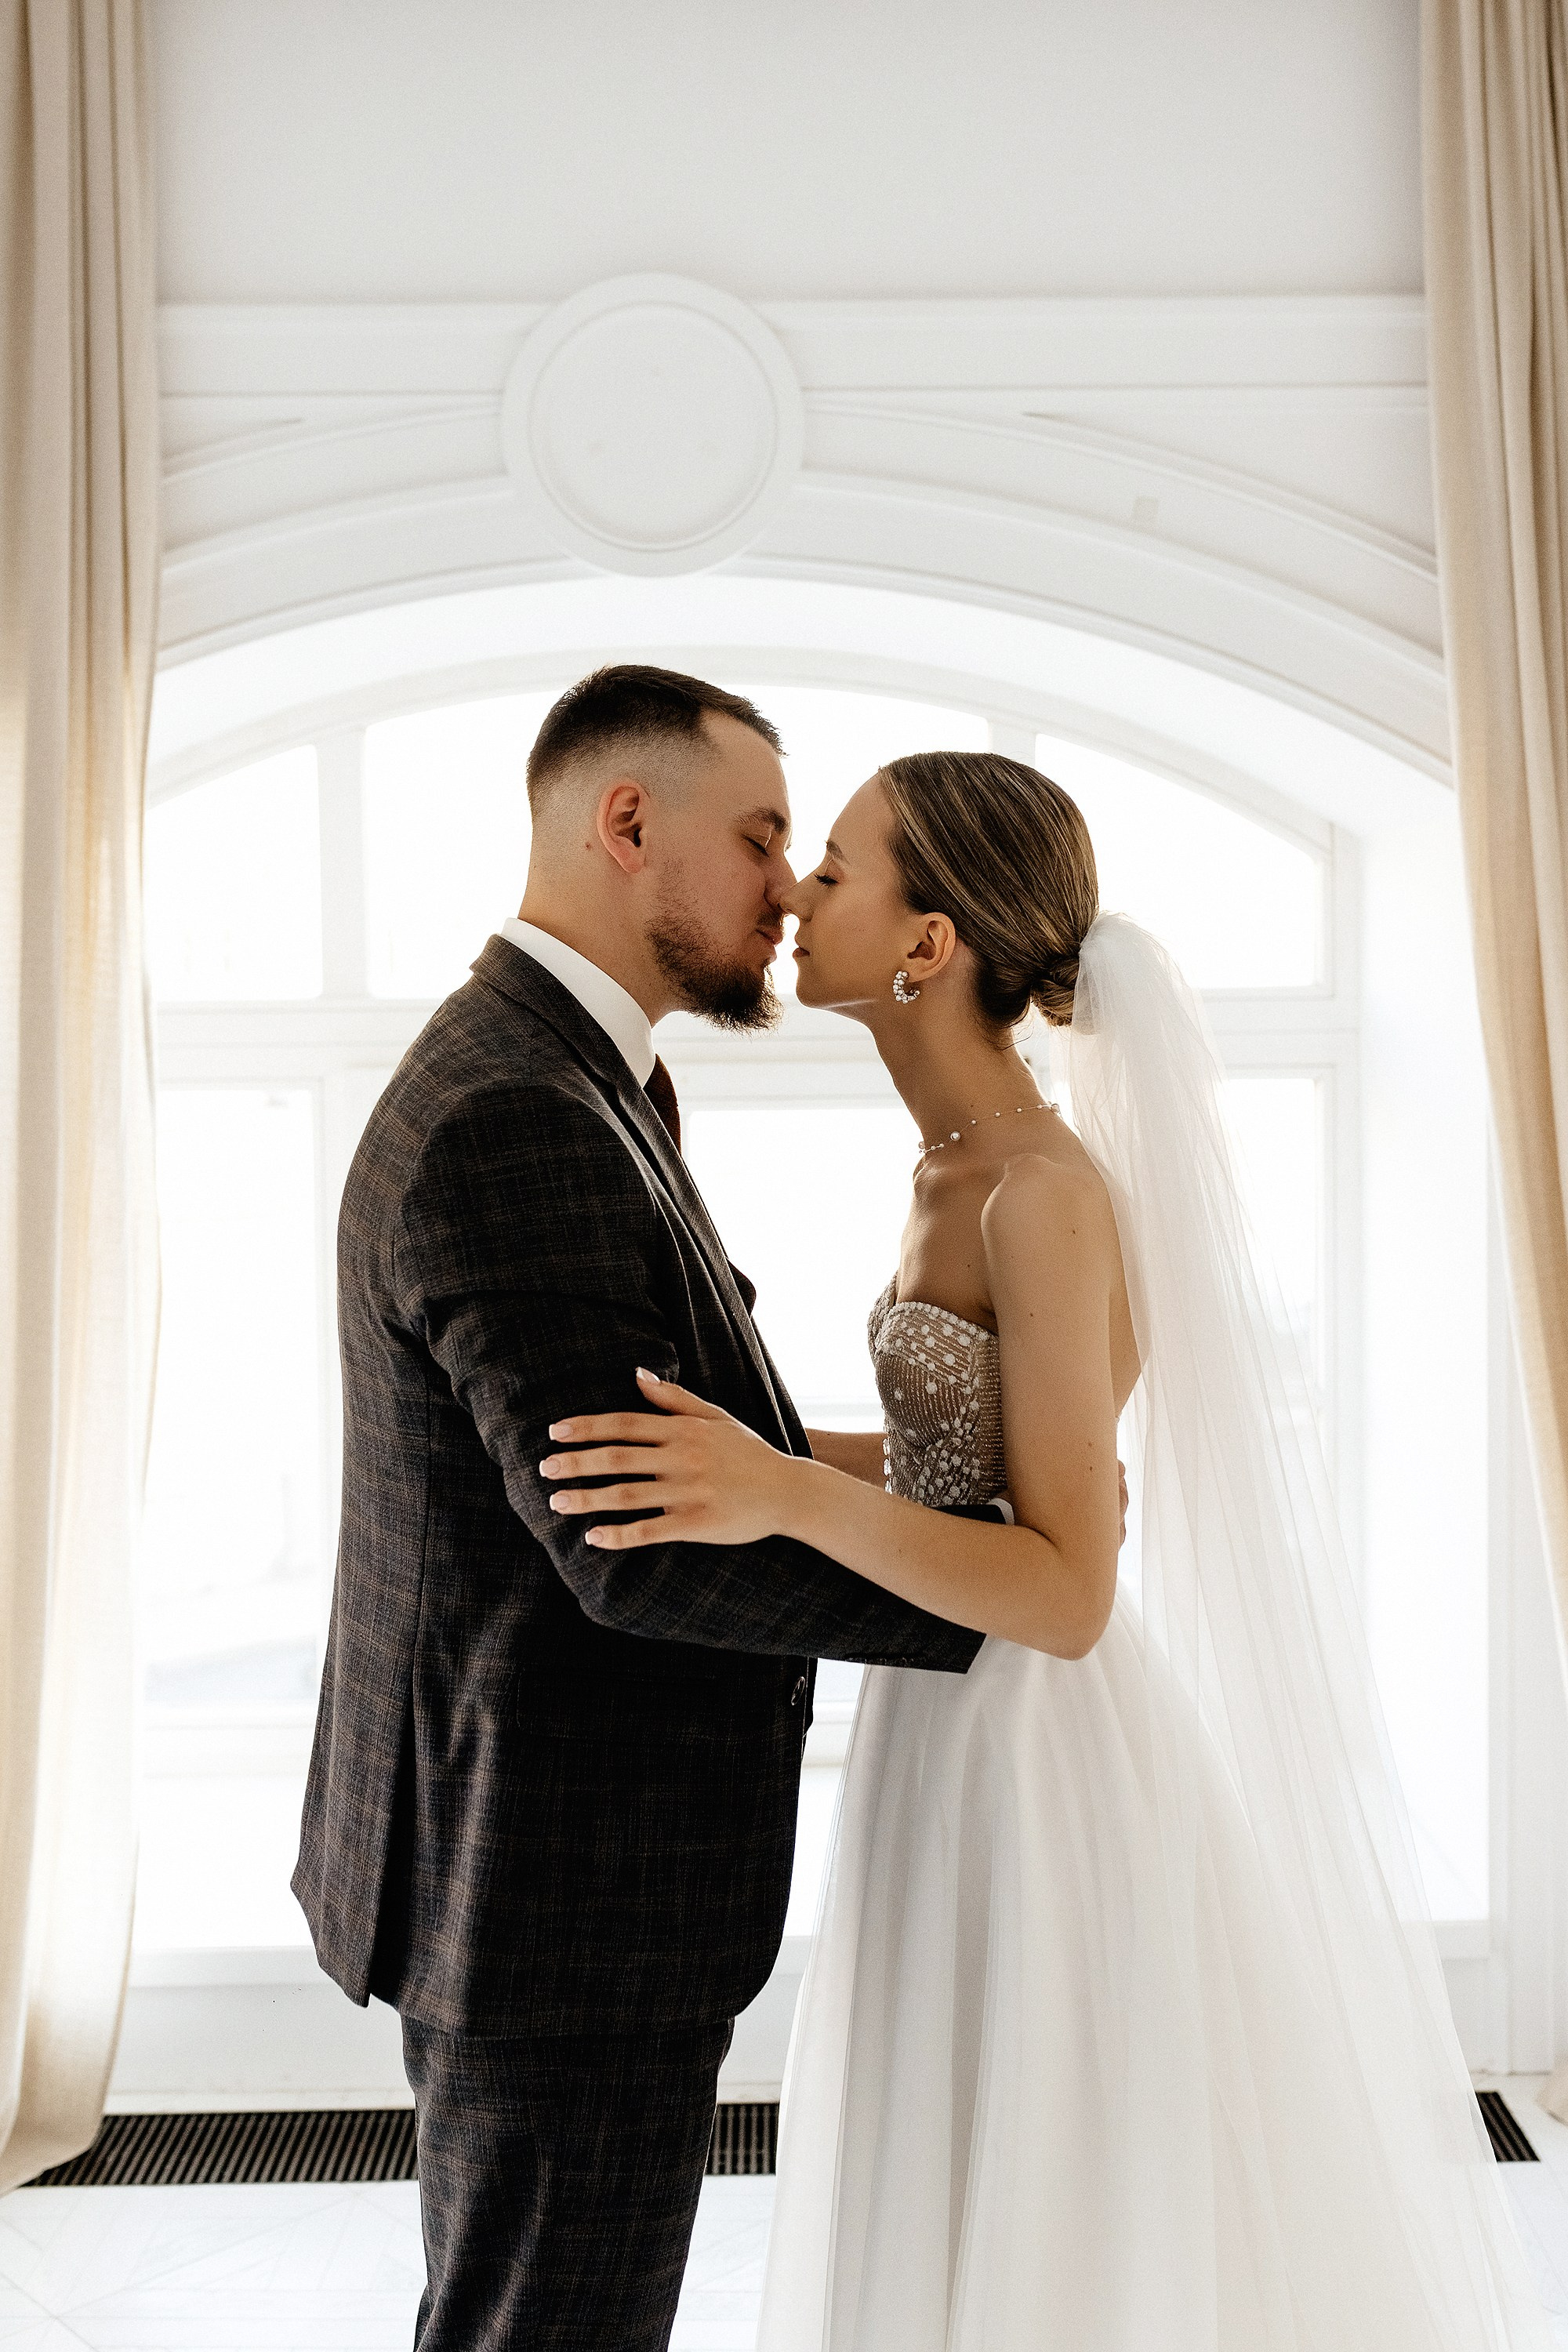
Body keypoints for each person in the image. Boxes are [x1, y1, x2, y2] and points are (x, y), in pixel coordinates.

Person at [546, 750, 1550, 2350]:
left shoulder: (1039, 1193)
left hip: (1027, 1747)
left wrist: (783, 1494)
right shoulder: (950, 1165)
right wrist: (741, 1458)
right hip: (939, 1712)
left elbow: (1071, 1590)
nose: (795, 893)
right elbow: (964, 1479)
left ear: (928, 944)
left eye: (836, 868)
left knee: (1041, 2193)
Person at [292, 669, 1024, 2352]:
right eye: (762, 838)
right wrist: (1010, 1588)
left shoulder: (576, 1072)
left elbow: (698, 1446)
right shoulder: (515, 1113)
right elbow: (633, 1544)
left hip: (546, 1867)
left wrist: (936, 1487)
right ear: (627, 823)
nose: (789, 888)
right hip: (557, 1896)